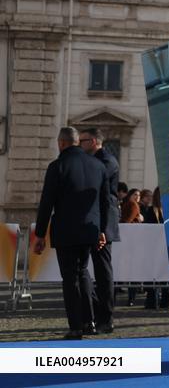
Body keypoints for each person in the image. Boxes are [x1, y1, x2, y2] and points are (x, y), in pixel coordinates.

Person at [33, 127, 109, 339]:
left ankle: (75, 326)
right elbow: (105, 202)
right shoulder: (98, 166)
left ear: (62, 143)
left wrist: (40, 234)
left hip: (66, 231)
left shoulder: (57, 166)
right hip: (90, 230)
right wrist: (102, 230)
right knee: (83, 272)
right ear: (77, 142)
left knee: (69, 277)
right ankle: (90, 322)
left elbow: (47, 202)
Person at [78, 128, 119, 334]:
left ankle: (107, 317)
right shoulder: (95, 160)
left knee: (103, 272)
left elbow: (100, 192)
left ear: (93, 141)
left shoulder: (107, 160)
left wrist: (102, 229)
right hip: (92, 220)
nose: (79, 145)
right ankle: (96, 312)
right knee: (86, 269)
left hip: (102, 223)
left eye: (82, 141)